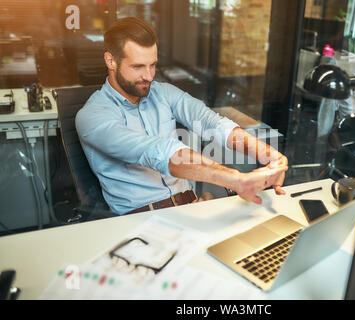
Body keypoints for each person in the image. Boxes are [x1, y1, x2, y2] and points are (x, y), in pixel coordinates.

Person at [75, 17, 288, 215]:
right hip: (142, 221)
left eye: (153, 65)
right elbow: (158, 152)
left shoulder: (163, 92)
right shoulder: (92, 116)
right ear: (111, 61)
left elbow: (210, 122)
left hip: (191, 206)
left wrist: (265, 153)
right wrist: (236, 180)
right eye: (138, 66)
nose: (148, 76)